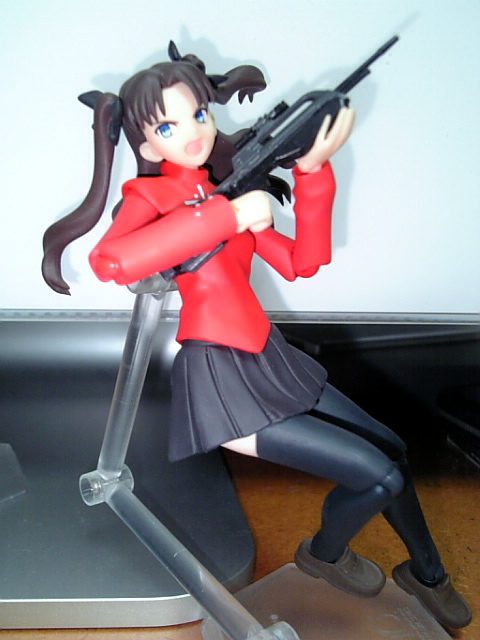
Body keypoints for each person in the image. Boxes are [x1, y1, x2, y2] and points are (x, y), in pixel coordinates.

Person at [42, 42, 471, 630]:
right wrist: (227, 217)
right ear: (148, 147)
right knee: (381, 474)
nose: (193, 132)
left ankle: (427, 574)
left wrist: (312, 173)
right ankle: (324, 554)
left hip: (270, 359)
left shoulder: (225, 192)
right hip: (222, 381)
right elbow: (110, 261)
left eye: (198, 114)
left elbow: (303, 262)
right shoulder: (154, 197)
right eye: (168, 126)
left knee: (392, 449)